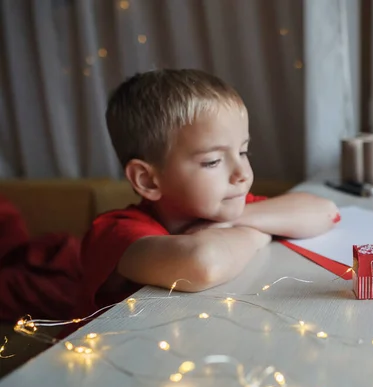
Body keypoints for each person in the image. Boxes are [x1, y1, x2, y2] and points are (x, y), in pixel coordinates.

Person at [78, 69, 339, 315]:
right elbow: (202, 264)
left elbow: (325, 212)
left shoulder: (223, 209)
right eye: (213, 161)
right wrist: (260, 233)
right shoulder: (115, 232)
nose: (243, 173)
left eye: (243, 152)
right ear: (148, 180)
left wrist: (234, 222)